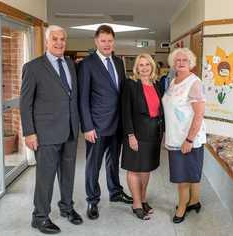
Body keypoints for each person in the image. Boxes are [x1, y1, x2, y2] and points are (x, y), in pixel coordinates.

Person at [20, 25, 82, 234]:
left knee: (68, 174)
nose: (59, 43)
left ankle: (66, 207)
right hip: (45, 133)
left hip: (70, 130)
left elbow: (71, 97)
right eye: (54, 39)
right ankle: (39, 217)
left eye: (62, 39)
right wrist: (29, 132)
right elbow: (25, 103)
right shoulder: (33, 67)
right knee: (45, 177)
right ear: (46, 42)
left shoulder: (70, 65)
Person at [78, 25, 133, 220]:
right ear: (96, 42)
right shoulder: (87, 64)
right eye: (103, 41)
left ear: (114, 42)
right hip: (97, 126)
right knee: (94, 164)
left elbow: (121, 93)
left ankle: (115, 191)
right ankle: (93, 199)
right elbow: (82, 98)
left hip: (117, 124)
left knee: (113, 161)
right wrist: (87, 126)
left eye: (110, 40)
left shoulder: (118, 62)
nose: (107, 44)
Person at [162, 48, 206, 224]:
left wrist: (189, 139)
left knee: (183, 176)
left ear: (191, 63)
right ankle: (194, 201)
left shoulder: (194, 82)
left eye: (184, 60)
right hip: (175, 136)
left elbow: (199, 114)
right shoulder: (173, 81)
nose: (180, 63)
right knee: (191, 172)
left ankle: (182, 207)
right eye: (177, 60)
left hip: (188, 138)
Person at [121, 54, 164, 220]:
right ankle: (136, 203)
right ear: (136, 68)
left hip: (154, 133)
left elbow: (161, 110)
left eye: (147, 64)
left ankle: (143, 199)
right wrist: (130, 135)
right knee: (134, 168)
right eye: (141, 65)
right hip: (137, 133)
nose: (144, 68)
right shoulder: (131, 85)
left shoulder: (157, 84)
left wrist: (164, 131)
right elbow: (126, 112)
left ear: (152, 66)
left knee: (146, 168)